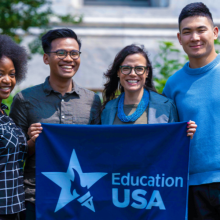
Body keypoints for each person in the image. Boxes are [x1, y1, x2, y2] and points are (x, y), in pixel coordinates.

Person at [9, 28, 101, 220]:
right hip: (35, 198)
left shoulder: (92, 101)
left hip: (81, 198)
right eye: (61, 53)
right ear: (45, 58)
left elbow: (97, 150)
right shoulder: (25, 99)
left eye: (74, 53)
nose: (68, 58)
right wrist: (32, 143)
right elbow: (12, 157)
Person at [163, 2, 220, 219]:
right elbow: (167, 135)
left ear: (214, 32)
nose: (194, 37)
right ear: (179, 39)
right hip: (191, 185)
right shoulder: (173, 84)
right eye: (187, 32)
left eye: (201, 30)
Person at [101, 44, 196, 140]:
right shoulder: (108, 110)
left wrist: (185, 134)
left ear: (147, 72)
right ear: (118, 72)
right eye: (126, 68)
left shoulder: (166, 107)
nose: (133, 74)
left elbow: (174, 146)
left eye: (139, 69)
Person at [0, 35, 36, 220]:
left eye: (12, 74)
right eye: (0, 73)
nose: (7, 80)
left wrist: (32, 141)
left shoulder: (5, 114)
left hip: (14, 209)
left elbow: (13, 157)